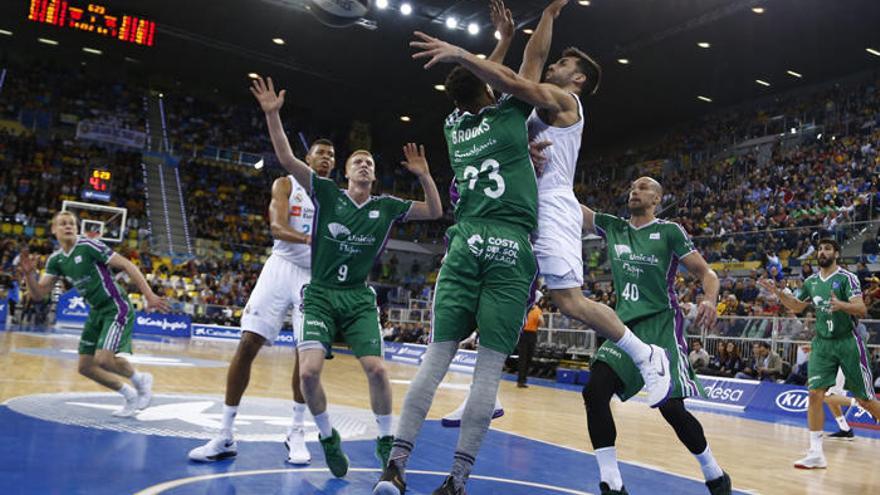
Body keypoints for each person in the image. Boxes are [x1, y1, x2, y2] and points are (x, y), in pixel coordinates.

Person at [441, 0, 671, 430]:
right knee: (493, 305)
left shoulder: (564, 100)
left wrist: (547, 16)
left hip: (550, 207)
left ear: (577, 79)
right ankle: (483, 395)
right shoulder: (536, 111)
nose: (554, 65)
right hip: (523, 210)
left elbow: (517, 75)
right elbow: (530, 62)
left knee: (569, 301)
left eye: (564, 63)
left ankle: (646, 355)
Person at [251, 75, 443, 478]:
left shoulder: (388, 206)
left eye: (369, 163)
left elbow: (434, 211)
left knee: (376, 369)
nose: (363, 164)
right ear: (346, 171)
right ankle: (326, 437)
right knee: (307, 372)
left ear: (373, 177)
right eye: (357, 160)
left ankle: (385, 438)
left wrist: (424, 174)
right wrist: (273, 115)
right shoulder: (325, 191)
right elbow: (287, 159)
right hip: (320, 293)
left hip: (357, 298)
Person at [187, 138, 336, 464]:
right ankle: (225, 433)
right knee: (248, 342)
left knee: (305, 352)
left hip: (314, 277)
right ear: (307, 158)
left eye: (332, 155)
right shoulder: (286, 183)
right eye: (320, 153)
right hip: (280, 267)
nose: (326, 158)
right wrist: (310, 239)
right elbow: (277, 226)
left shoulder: (335, 197)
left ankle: (296, 431)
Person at [580, 177, 731, 495]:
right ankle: (612, 482)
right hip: (623, 329)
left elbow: (707, 273)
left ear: (657, 200)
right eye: (632, 186)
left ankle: (714, 473)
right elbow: (569, 207)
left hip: (661, 327)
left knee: (671, 409)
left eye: (644, 187)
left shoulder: (669, 231)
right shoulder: (614, 227)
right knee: (594, 391)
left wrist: (710, 299)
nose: (634, 190)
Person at [19, 211, 167, 417]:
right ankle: (130, 395)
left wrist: (149, 295)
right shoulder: (56, 260)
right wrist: (28, 276)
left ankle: (139, 380)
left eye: (71, 223)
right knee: (86, 367)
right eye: (62, 224)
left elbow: (127, 264)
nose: (68, 226)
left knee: (104, 360)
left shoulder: (89, 246)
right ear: (54, 230)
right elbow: (38, 294)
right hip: (96, 311)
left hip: (116, 306)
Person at [759, 238, 880, 469]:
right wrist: (780, 295)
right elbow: (797, 306)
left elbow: (861, 308)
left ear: (836, 253)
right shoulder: (812, 281)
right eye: (820, 249)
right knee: (815, 394)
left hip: (847, 342)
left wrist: (842, 305)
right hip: (823, 343)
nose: (822, 252)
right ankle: (816, 453)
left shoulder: (847, 278)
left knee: (866, 400)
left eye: (827, 249)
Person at [518, 290, 544, 387]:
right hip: (524, 333)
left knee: (529, 357)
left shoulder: (538, 310)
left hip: (533, 334)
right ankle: (520, 380)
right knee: (523, 358)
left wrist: (540, 320)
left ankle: (524, 379)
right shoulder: (524, 308)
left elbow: (542, 323)